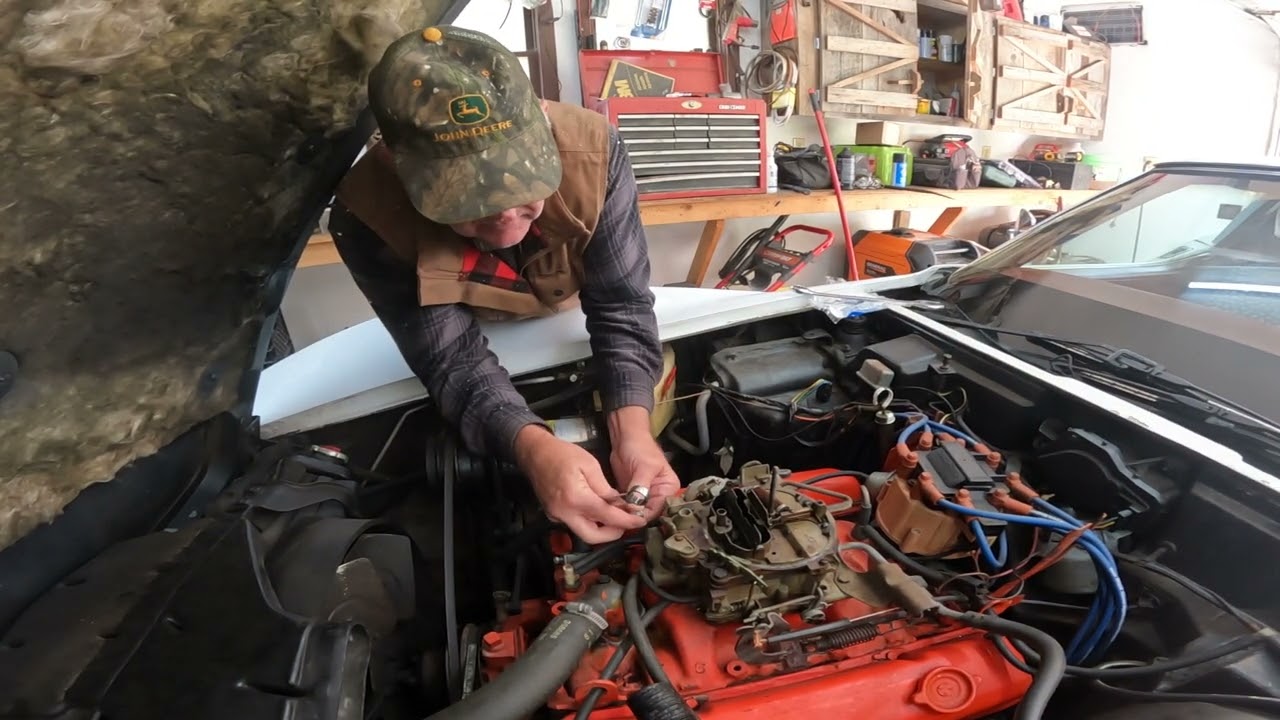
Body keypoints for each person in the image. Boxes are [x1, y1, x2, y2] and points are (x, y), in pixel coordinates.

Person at [328, 25, 678, 543]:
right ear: (400, 170)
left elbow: (621, 304)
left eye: (525, 190)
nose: (508, 222)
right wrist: (533, 450)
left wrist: (633, 434)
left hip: (566, 317)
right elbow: (452, 359)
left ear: (540, 126)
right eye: (468, 208)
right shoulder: (368, 216)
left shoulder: (594, 152)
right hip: (467, 331)